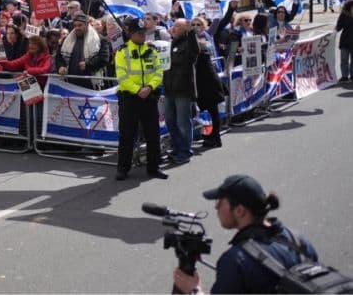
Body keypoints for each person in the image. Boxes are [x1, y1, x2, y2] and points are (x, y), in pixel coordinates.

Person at [173, 175, 319, 294]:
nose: (216, 207)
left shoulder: (235, 261)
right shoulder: (299, 241)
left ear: (239, 210)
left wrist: (193, 290)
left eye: (220, 202)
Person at [114, 17, 167, 181]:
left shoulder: (151, 50)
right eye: (138, 33)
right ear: (130, 34)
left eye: (143, 33)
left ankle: (153, 167)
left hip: (149, 97)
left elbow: (159, 72)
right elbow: (122, 76)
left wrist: (149, 88)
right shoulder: (122, 52)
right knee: (127, 135)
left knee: (153, 134)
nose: (142, 36)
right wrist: (138, 90)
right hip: (130, 98)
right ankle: (123, 168)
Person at [163, 19, 200, 165]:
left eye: (178, 26)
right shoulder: (171, 44)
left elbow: (195, 50)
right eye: (174, 25)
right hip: (169, 89)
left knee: (183, 122)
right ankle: (177, 148)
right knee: (170, 121)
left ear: (186, 29)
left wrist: (191, 32)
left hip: (183, 90)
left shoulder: (189, 43)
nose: (174, 28)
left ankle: (185, 151)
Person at [55, 13, 110, 90]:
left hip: (91, 84)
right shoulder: (67, 40)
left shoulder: (100, 39)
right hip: (71, 82)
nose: (77, 28)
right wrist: (61, 66)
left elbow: (104, 58)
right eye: (75, 25)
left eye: (80, 25)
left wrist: (88, 65)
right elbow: (59, 56)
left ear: (87, 25)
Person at [337, 0, 353, 82]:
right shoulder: (344, 14)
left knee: (345, 60)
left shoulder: (344, 13)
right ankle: (344, 76)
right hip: (345, 41)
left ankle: (350, 75)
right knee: (344, 60)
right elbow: (338, 26)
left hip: (345, 40)